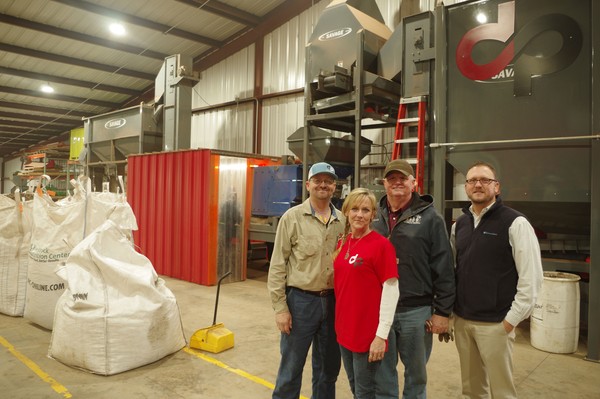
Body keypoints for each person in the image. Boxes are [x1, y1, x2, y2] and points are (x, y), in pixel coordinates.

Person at [450, 161, 543, 398]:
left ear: (497, 187)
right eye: (471, 180)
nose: (478, 184)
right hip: (463, 320)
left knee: (502, 392)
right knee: (471, 389)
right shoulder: (459, 224)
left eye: (485, 180)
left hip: (495, 324)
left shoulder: (515, 223)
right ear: (466, 187)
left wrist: (511, 320)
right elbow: (453, 269)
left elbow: (531, 278)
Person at [372, 159, 455, 399]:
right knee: (382, 375)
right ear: (384, 184)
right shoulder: (374, 216)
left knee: (416, 377)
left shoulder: (431, 218)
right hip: (381, 311)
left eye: (403, 178)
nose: (397, 182)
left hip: (416, 311)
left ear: (413, 183)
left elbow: (445, 268)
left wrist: (442, 311)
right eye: (391, 179)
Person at [267, 161, 346, 399]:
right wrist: (280, 308)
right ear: (308, 184)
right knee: (291, 368)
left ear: (335, 187)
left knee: (328, 369)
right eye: (318, 180)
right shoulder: (292, 218)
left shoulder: (343, 220)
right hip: (300, 302)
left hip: (333, 303)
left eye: (329, 181)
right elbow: (278, 265)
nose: (323, 185)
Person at [334, 188, 400, 399]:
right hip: (345, 329)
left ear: (373, 214)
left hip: (368, 332)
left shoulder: (382, 246)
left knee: (366, 391)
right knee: (355, 386)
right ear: (346, 211)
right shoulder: (343, 242)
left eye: (365, 210)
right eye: (354, 209)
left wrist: (381, 336)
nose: (359, 215)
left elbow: (391, 291)